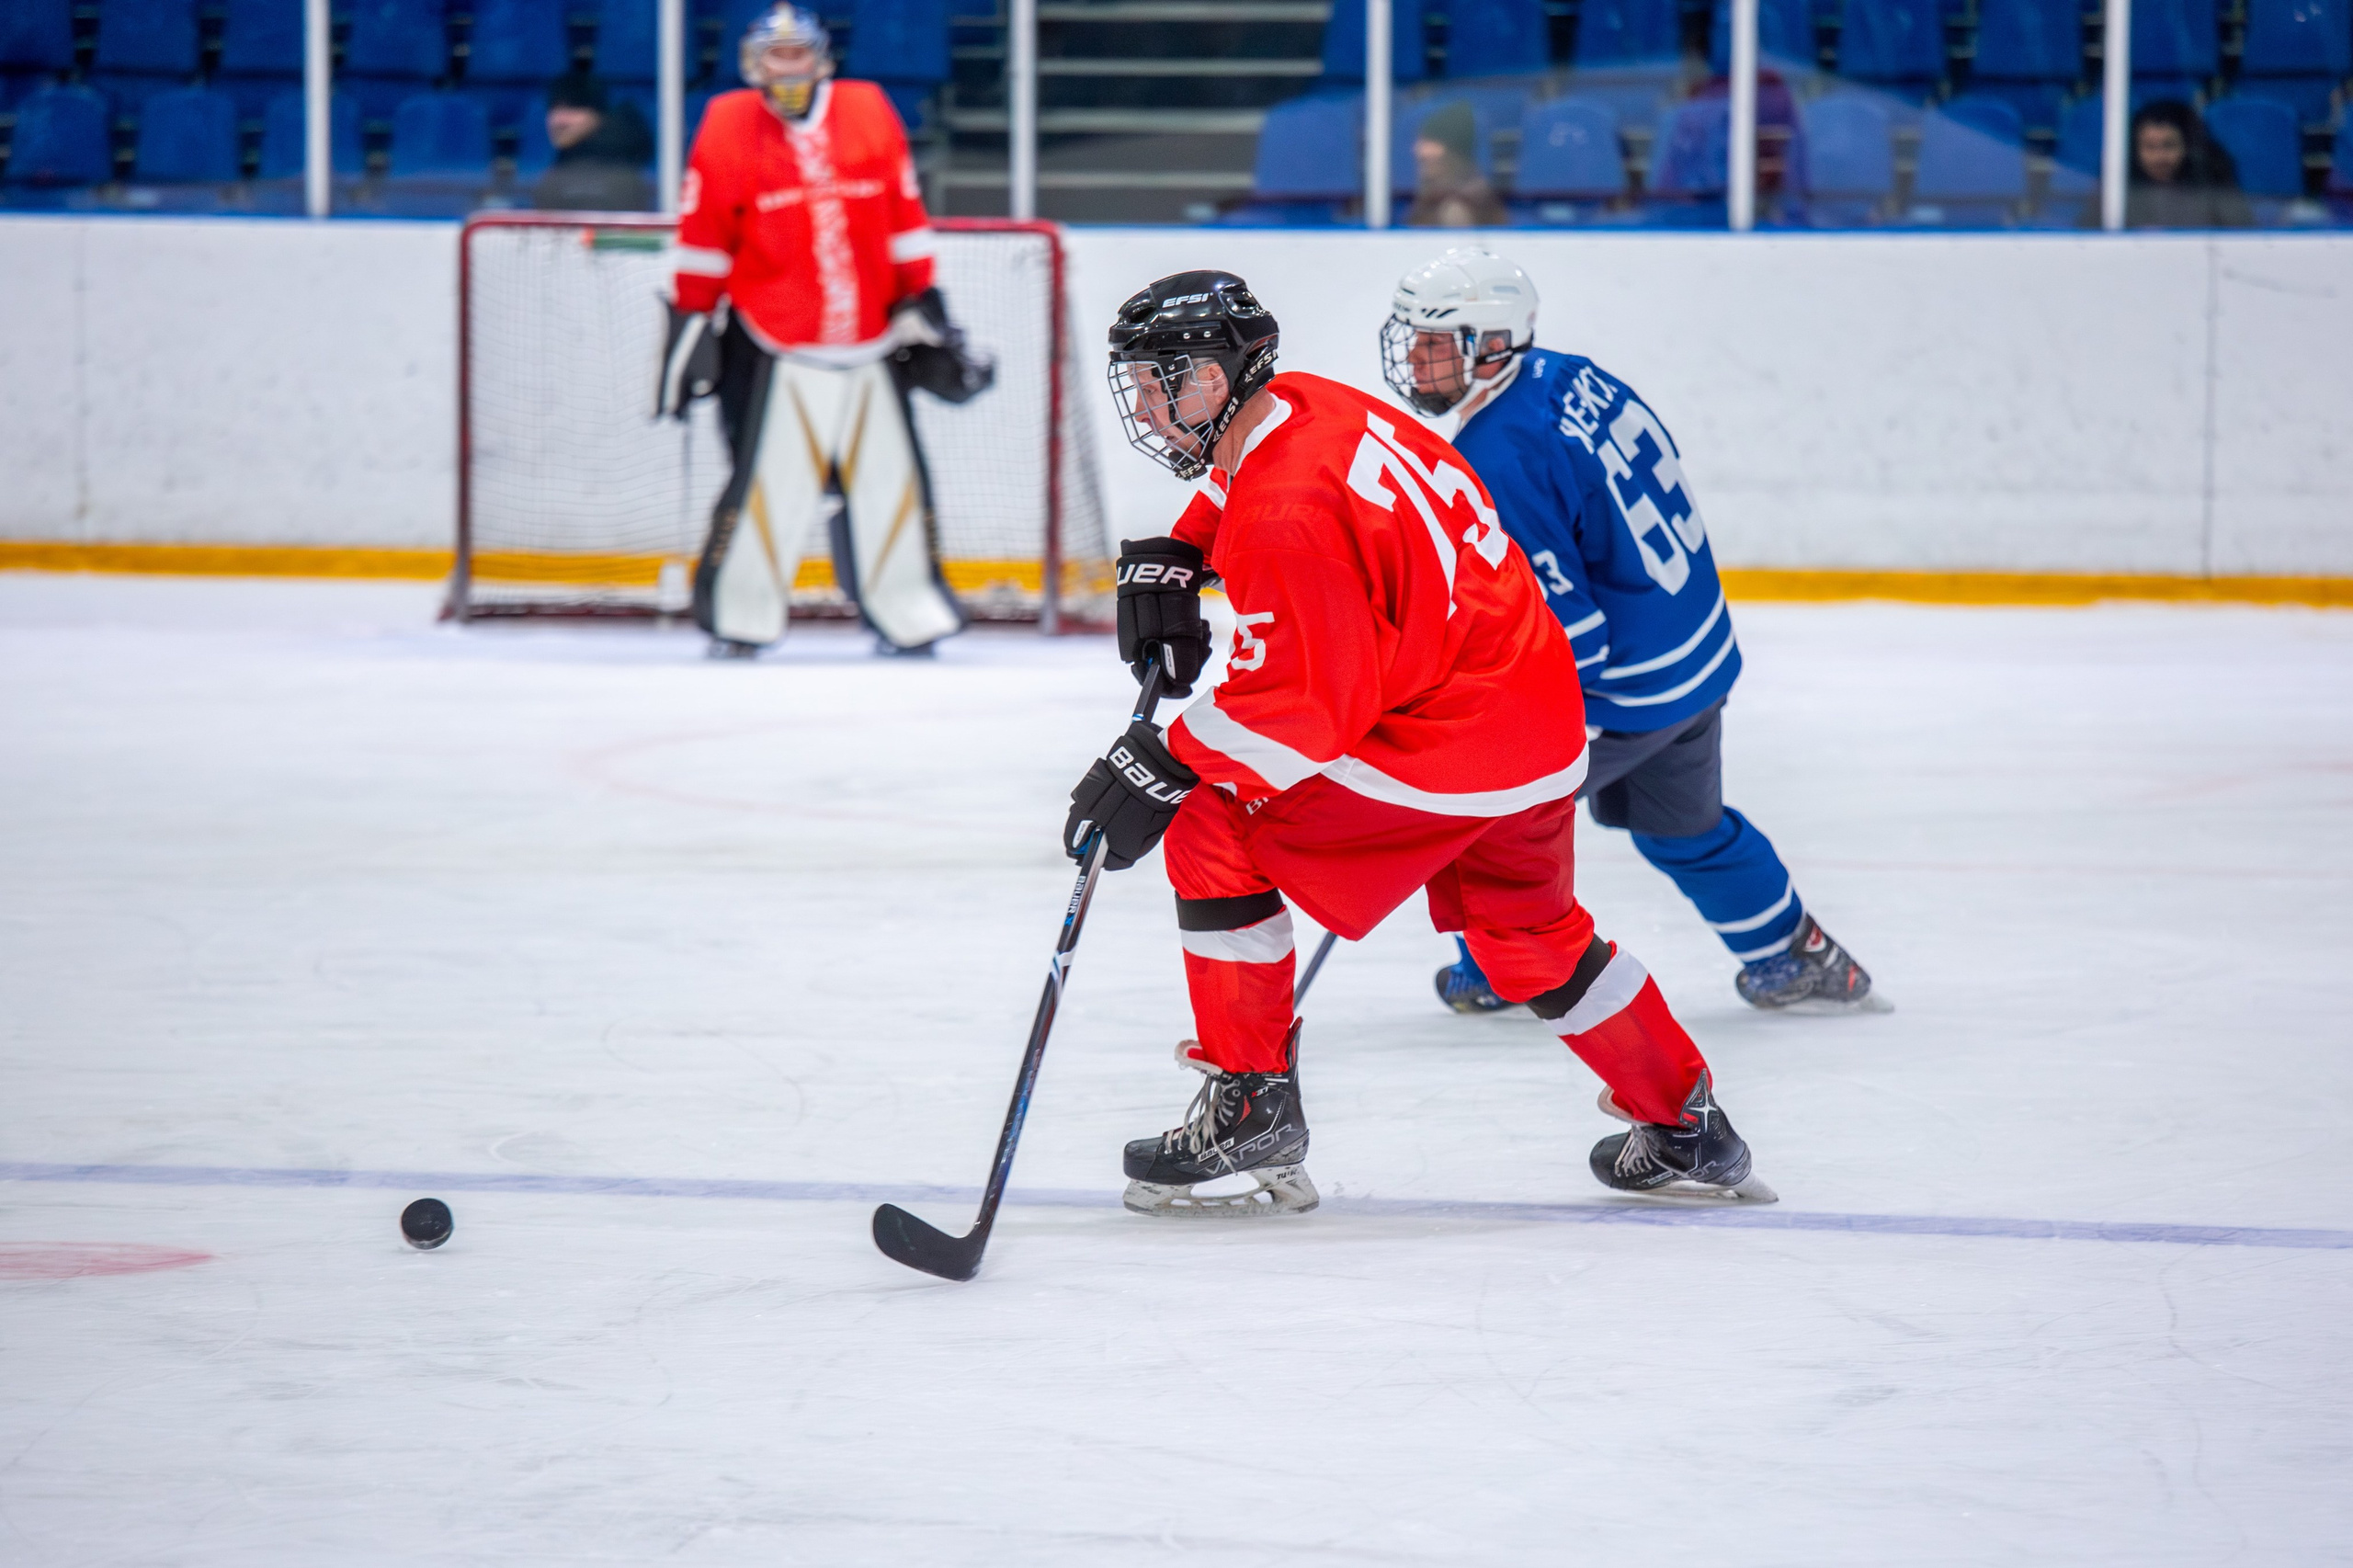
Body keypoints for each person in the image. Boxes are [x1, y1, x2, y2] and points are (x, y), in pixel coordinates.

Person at [1062, 269, 1774, 1217]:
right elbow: (1261, 496)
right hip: (1538, 714)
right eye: (1141, 385)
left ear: (1224, 375)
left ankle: (1249, 1103)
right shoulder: (1304, 401)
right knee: (1527, 936)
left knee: (1206, 822)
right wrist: (1185, 550)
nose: (1150, 409)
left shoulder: (1283, 514)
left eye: (1167, 382)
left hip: (1448, 737)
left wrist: (1166, 761)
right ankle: (1687, 1120)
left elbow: (1300, 711)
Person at [1381, 247, 1881, 1015]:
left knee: (1472, 817)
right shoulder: (1570, 375)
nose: (1415, 359)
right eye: (1412, 339)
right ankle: (1794, 952)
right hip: (1693, 650)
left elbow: (1567, 633)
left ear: (1493, 343)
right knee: (1682, 828)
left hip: (1626, 685)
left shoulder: (1496, 457)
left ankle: (1503, 968)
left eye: (1435, 342)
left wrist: (1496, 725)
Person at [654, 4, 976, 658]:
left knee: (892, 483)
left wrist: (921, 297)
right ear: (753, 64)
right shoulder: (727, 124)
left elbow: (903, 212)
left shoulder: (867, 109)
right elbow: (705, 233)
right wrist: (692, 319)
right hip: (774, 338)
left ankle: (910, 618)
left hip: (873, 335)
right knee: (768, 486)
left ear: (821, 58)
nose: (788, 67)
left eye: (798, 53)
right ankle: (740, 622)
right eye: (776, 56)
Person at [531, 74, 654, 211]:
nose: (559, 121)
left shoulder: (620, 175)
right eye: (553, 108)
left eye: (573, 108)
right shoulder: (556, 172)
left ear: (599, 116)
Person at [2127, 100, 2254, 230]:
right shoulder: (2121, 193)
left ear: (2188, 146)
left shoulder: (2216, 189)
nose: (2159, 157)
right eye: (2150, 147)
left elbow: (2243, 234)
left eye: (2169, 145)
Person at [1404, 101, 1507, 228]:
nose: (1418, 150)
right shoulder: (1434, 198)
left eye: (1429, 142)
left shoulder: (1456, 209)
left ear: (1452, 152)